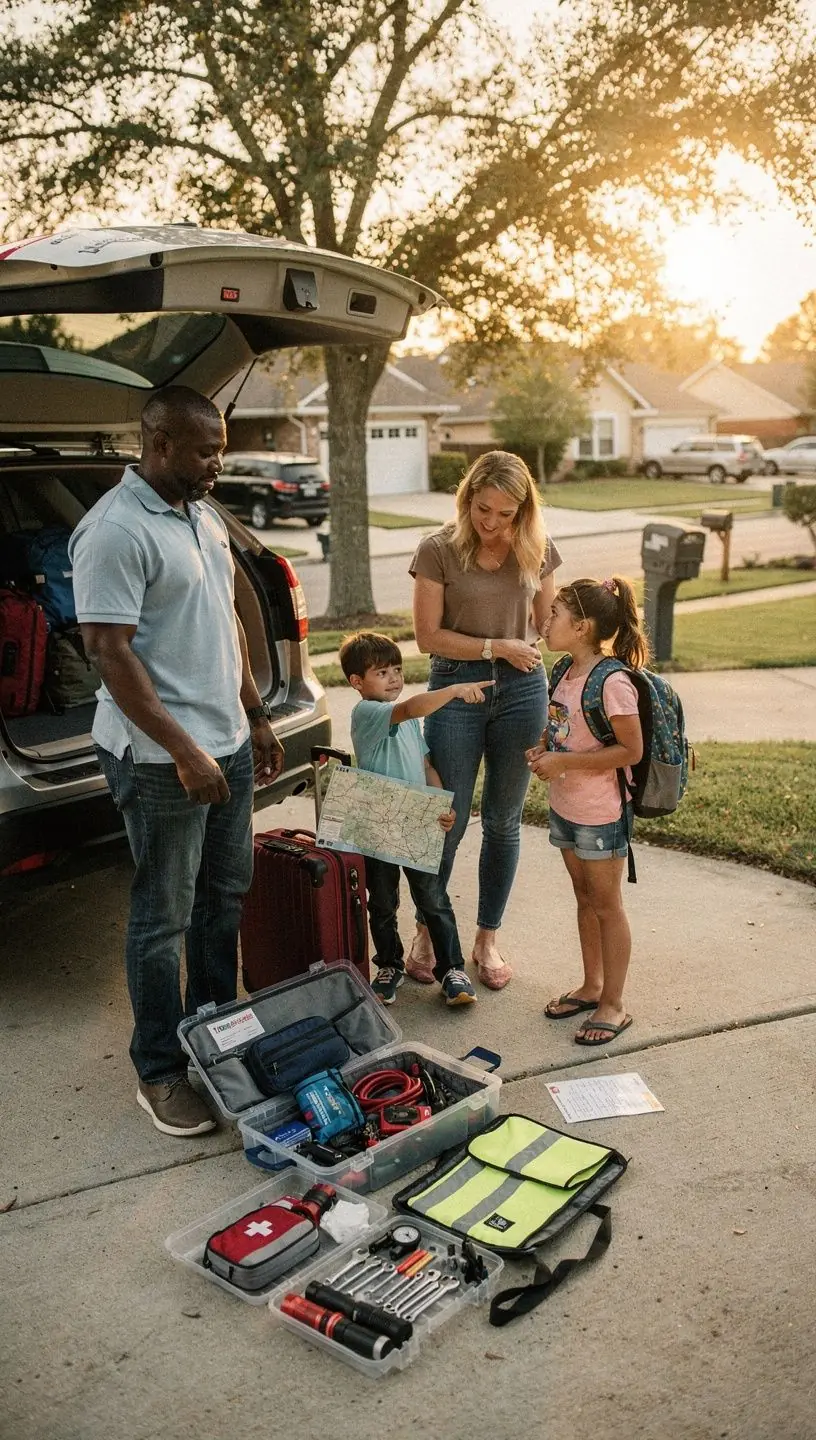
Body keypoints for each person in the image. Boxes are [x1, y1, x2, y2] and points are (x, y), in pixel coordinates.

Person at [69, 385, 284, 1137]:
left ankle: (217, 1033)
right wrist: (186, 751)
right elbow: (108, 652)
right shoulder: (114, 530)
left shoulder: (200, 515)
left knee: (223, 896)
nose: (218, 462)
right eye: (206, 450)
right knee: (163, 916)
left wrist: (253, 713)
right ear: (159, 443)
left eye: (220, 449)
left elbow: (224, 619)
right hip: (162, 758)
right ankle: (159, 1069)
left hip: (224, 739)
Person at [408, 450, 563, 990]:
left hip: (522, 691)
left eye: (504, 513)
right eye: (482, 509)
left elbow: (548, 624)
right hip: (456, 688)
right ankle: (430, 929)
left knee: (502, 820)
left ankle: (486, 938)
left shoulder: (537, 551)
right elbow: (428, 637)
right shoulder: (438, 550)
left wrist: (571, 635)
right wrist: (497, 645)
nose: (491, 523)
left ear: (522, 511)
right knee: (445, 819)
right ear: (467, 499)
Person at [341, 630, 494, 1007]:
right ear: (356, 682)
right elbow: (412, 707)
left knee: (432, 897)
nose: (394, 677)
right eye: (382, 672)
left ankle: (452, 969)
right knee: (382, 900)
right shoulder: (369, 713)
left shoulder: (407, 719)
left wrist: (440, 803)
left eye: (396, 669)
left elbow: (425, 764)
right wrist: (455, 690)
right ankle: (389, 965)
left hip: (415, 821)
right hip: (379, 822)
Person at [526, 576, 646, 1045]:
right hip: (566, 804)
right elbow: (561, 729)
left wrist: (564, 762)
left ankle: (614, 1003)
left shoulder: (612, 681)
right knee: (583, 897)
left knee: (607, 904)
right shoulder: (562, 671)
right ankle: (592, 985)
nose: (545, 621)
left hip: (600, 811)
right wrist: (542, 749)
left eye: (554, 613)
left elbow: (630, 751)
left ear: (582, 626)